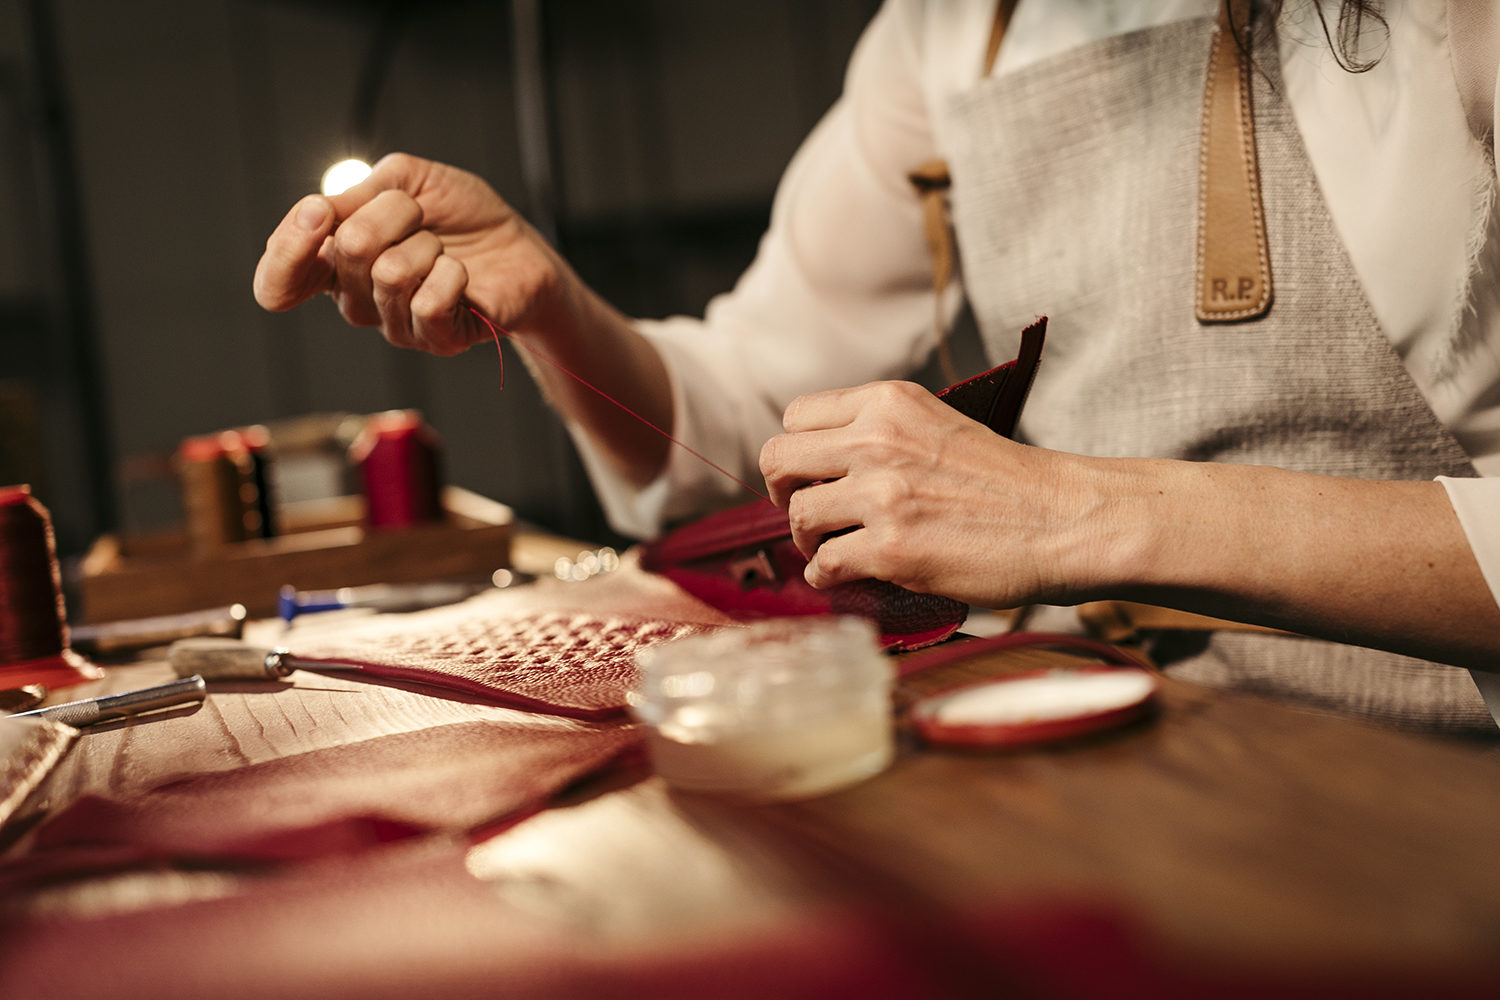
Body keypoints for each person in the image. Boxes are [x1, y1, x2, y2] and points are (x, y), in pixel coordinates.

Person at [254, 0, 1500, 732]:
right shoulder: (952, 29)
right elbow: (742, 425)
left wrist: (1069, 510)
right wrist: (552, 308)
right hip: (1134, 747)